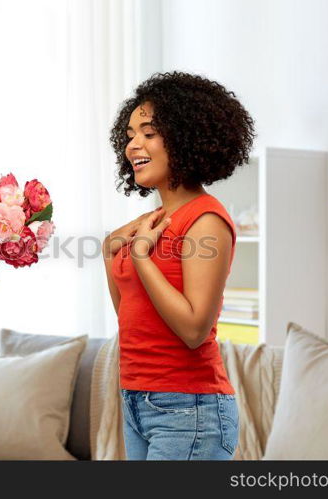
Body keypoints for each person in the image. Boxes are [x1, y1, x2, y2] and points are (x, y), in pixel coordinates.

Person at [103, 71, 255, 460]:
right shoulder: (151, 222)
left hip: (189, 410)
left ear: (184, 137)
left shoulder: (205, 220)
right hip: (137, 399)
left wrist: (140, 257)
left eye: (148, 133)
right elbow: (131, 316)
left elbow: (192, 329)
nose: (133, 145)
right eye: (131, 134)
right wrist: (111, 251)